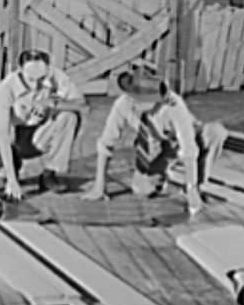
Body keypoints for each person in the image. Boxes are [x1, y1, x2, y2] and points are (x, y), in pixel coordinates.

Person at [81, 67, 227, 214]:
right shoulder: (123, 105)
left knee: (216, 132)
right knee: (142, 189)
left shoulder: (173, 104)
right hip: (159, 147)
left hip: (191, 138)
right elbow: (106, 143)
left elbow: (189, 148)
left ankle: (196, 183)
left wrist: (192, 190)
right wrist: (99, 187)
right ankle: (166, 175)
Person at [0, 49, 89, 200]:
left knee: (69, 117)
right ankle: (9, 168)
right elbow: (3, 137)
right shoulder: (4, 90)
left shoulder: (55, 76)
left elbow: (82, 105)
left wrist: (52, 103)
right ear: (20, 70)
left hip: (39, 134)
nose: (36, 85)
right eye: (31, 79)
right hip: (11, 136)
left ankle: (50, 173)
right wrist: (12, 181)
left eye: (41, 78)